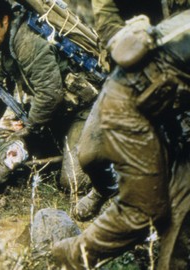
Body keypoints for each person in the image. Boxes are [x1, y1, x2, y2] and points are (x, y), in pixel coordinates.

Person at [50, 10, 190, 269]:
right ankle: (69, 258)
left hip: (161, 105)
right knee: (143, 209)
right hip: (129, 105)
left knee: (182, 204)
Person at [0, 0, 102, 195]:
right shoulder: (4, 40)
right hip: (60, 111)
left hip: (86, 109)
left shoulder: (28, 42)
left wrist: (28, 130)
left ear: (4, 19)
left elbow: (49, 95)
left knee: (73, 183)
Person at [74, 0, 190, 222]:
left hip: (180, 72)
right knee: (90, 155)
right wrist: (137, 46)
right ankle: (106, 188)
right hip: (130, 76)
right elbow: (108, 23)